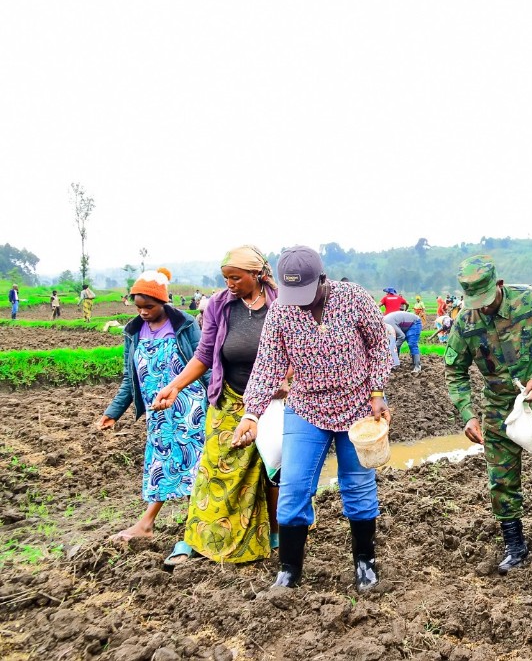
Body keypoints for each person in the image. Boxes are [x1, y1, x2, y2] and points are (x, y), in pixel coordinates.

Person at [232, 246, 391, 592]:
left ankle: (365, 563)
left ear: (322, 279)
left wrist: (377, 391)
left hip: (357, 408)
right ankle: (289, 571)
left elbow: (380, 345)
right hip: (307, 409)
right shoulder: (281, 311)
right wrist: (251, 413)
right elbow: (267, 364)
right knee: (294, 487)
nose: (300, 303)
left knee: (358, 486)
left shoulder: (353, 298)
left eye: (306, 293)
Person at [151, 246, 284, 566]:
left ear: (256, 274)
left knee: (273, 470)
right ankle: (198, 539)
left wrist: (286, 377)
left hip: (274, 401)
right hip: (229, 399)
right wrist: (175, 386)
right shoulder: (219, 305)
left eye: (236, 277)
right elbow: (204, 354)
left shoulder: (282, 304)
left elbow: (298, 347)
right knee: (214, 470)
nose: (230, 284)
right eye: (226, 278)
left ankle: (277, 532)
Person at [444, 254, 532, 574]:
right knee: (501, 481)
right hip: (499, 408)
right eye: (476, 303)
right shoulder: (465, 322)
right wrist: (468, 414)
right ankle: (515, 544)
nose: (483, 308)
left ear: (499, 285)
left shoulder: (530, 301)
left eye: (486, 300)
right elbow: (455, 370)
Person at [97, 268, 207, 541]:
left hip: (189, 406)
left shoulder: (184, 325)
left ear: (163, 302)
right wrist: (113, 413)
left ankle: (189, 523)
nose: (143, 312)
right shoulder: (133, 332)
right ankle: (152, 524)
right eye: (139, 307)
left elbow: (203, 363)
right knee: (161, 462)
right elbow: (130, 378)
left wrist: (218, 397)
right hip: (157, 410)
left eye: (149, 306)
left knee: (195, 461)